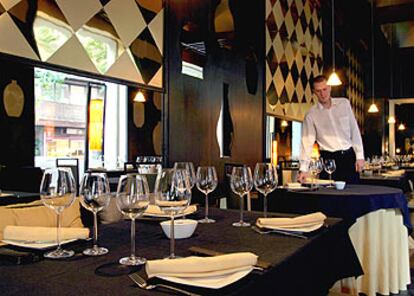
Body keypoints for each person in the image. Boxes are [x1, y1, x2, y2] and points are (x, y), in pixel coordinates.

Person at [297, 75, 365, 184]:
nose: (323, 94)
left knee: (353, 195)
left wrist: (360, 156)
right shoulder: (311, 115)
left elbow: (354, 131)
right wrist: (303, 169)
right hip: (328, 160)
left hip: (348, 158)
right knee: (330, 196)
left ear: (329, 88)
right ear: (314, 92)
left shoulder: (344, 104)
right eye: (319, 91)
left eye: (324, 89)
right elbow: (307, 143)